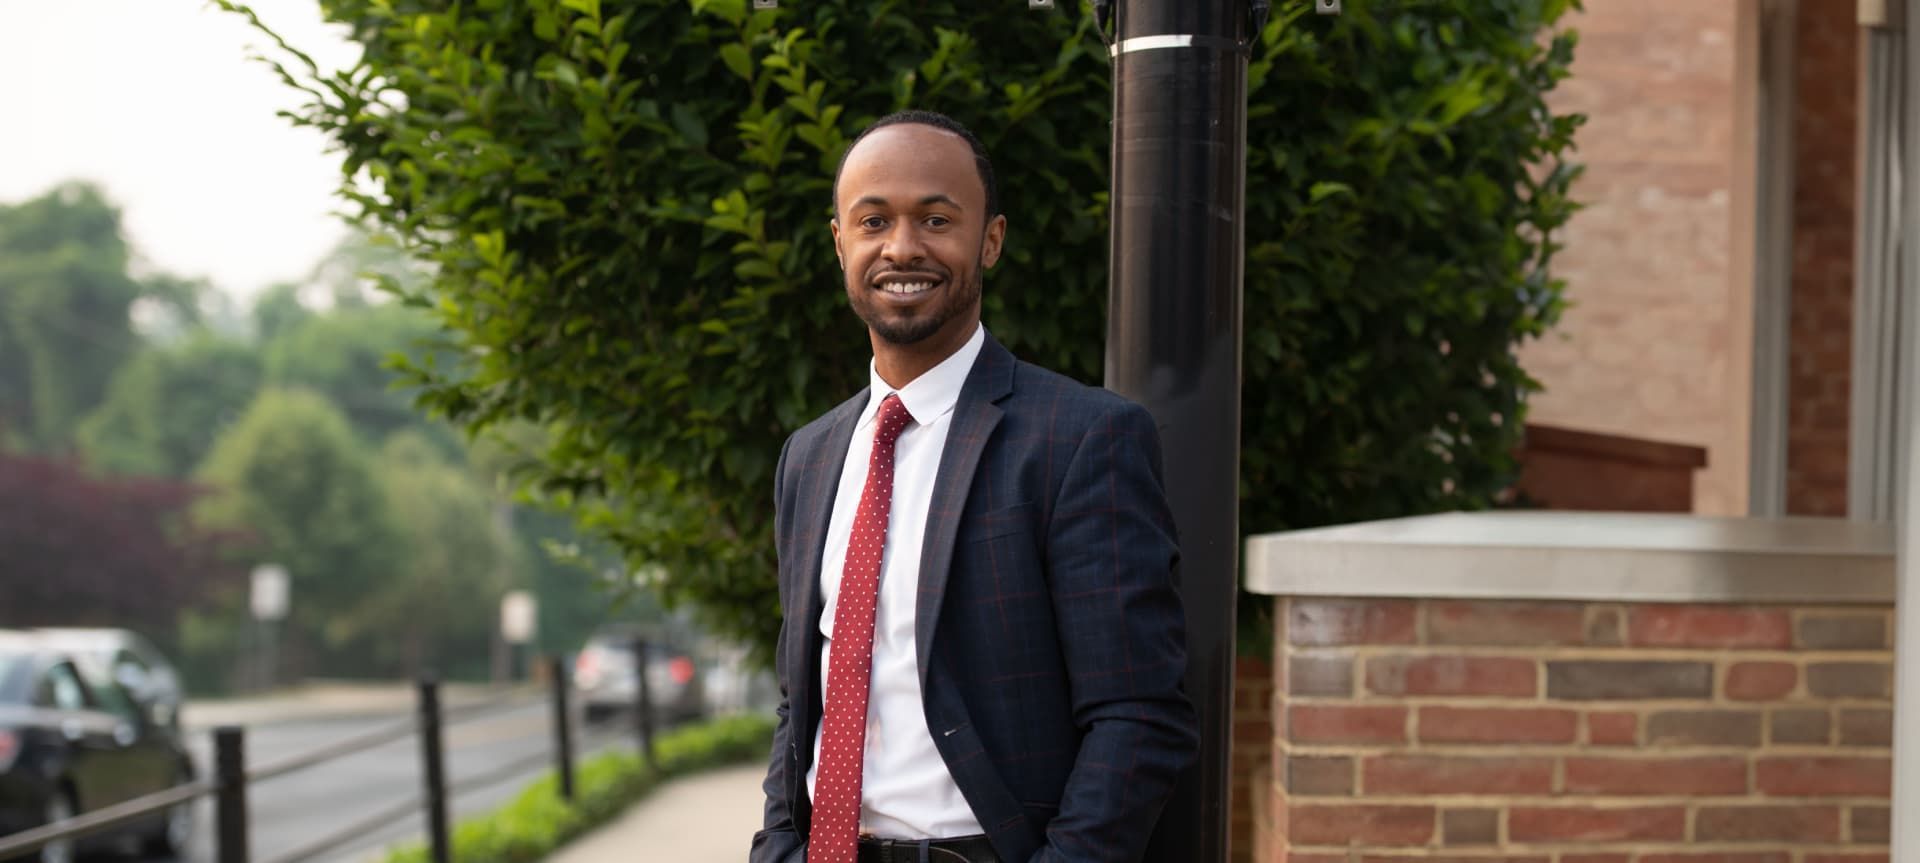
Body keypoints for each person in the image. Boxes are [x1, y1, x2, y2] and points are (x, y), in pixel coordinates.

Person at [750, 110, 1197, 863]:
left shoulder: (1080, 438)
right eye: (873, 220)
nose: (902, 247)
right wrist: (777, 846)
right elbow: (805, 696)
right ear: (839, 242)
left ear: (990, 238)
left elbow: (1138, 715)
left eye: (935, 218)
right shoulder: (811, 455)